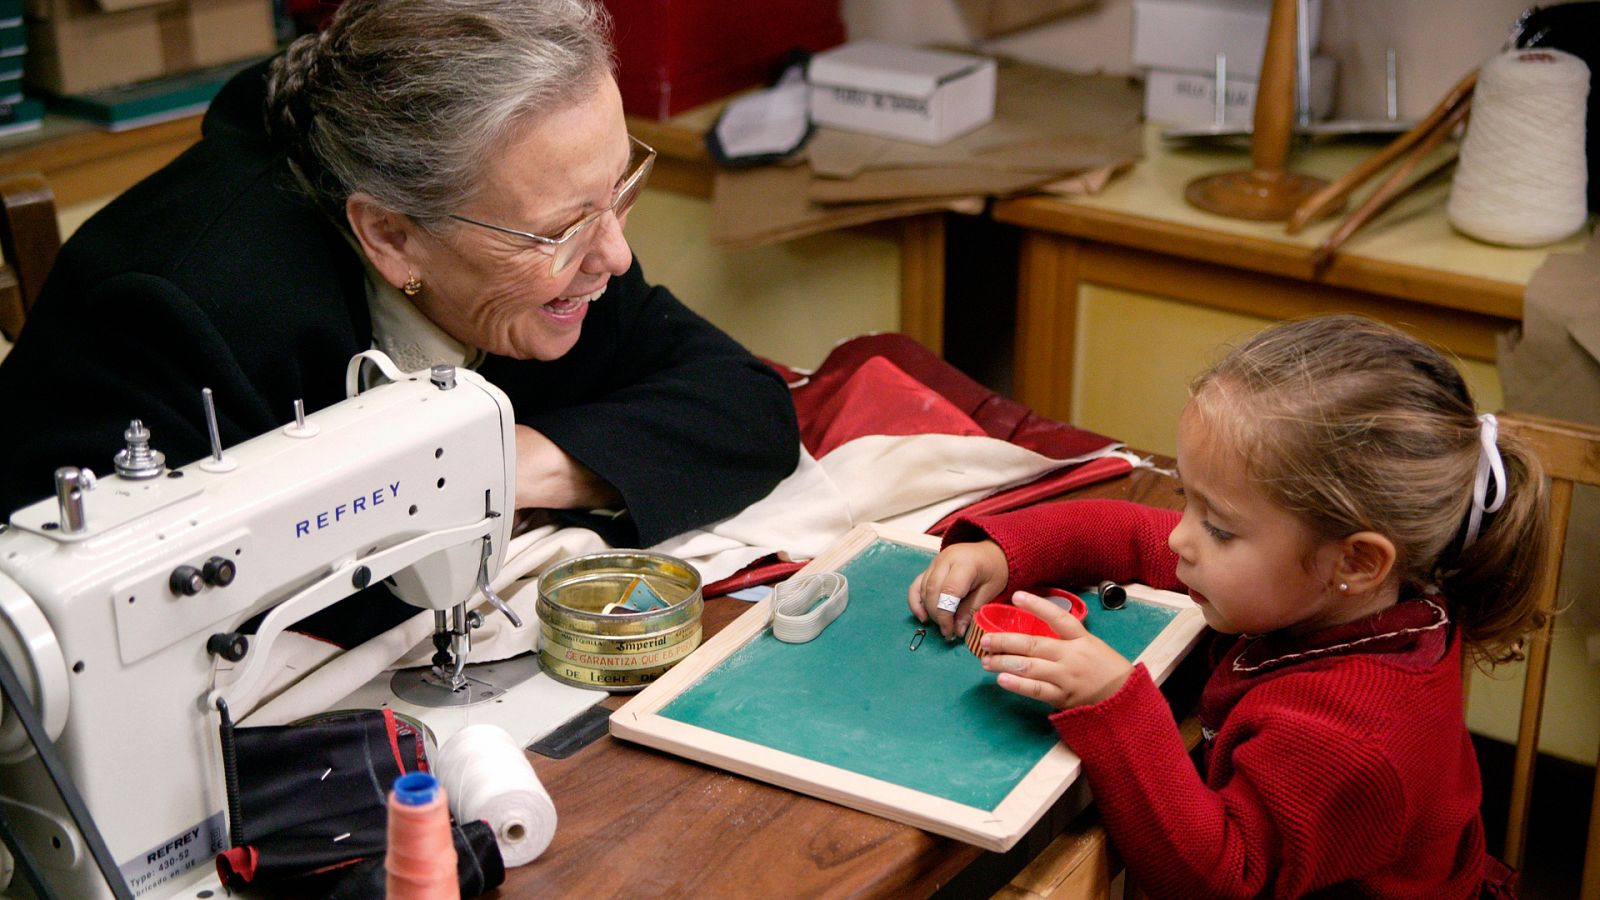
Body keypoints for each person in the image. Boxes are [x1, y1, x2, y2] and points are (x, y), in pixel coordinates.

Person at [0, 0, 799, 639]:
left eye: (617, 191)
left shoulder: (550, 220)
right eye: (566, 227)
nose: (616, 258)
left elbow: (744, 405)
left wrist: (508, 465)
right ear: (390, 235)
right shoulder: (176, 317)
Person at [909, 315, 1547, 897]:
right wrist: (1003, 554)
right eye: (1188, 499)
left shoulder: (1356, 739)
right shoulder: (1334, 594)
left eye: (1218, 526)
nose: (1181, 536)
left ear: (1354, 561)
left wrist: (1112, 701)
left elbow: (1217, 881)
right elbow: (1134, 535)